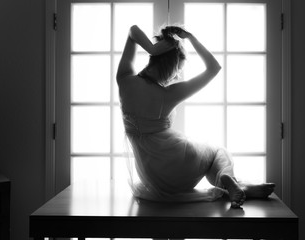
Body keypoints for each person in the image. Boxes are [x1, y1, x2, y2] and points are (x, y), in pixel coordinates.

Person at [117, 25, 274, 208]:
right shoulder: (169, 94)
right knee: (217, 152)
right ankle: (229, 180)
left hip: (152, 177)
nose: (176, 75)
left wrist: (152, 48)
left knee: (208, 158)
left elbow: (133, 30)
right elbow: (213, 68)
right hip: (179, 164)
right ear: (173, 65)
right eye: (178, 69)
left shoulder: (124, 79)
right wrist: (190, 38)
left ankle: (238, 186)